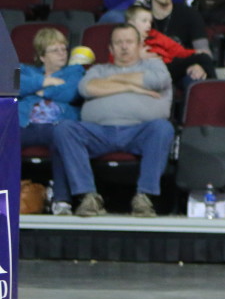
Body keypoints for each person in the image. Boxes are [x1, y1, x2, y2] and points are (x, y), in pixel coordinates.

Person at [51, 24, 175, 218]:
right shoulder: (99, 69)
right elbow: (87, 88)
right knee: (64, 128)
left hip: (140, 131)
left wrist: (114, 80)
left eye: (129, 42)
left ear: (139, 45)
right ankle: (88, 197)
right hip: (99, 132)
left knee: (163, 128)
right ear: (110, 49)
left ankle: (144, 198)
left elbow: (157, 81)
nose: (124, 47)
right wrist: (132, 87)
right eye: (118, 43)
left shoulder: (154, 65)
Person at [18, 28, 84, 157]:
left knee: (64, 140)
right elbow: (11, 85)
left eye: (64, 49)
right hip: (24, 125)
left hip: (56, 126)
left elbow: (70, 93)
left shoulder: (75, 71)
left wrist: (39, 92)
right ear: (42, 56)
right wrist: (44, 81)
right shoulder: (26, 71)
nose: (62, 54)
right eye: (55, 50)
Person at [124, 5, 215, 91]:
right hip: (153, 71)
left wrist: (193, 52)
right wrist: (137, 57)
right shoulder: (124, 41)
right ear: (131, 23)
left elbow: (175, 49)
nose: (148, 25)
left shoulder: (154, 35)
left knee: (203, 57)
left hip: (170, 65)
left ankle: (218, 86)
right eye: (144, 21)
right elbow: (118, 64)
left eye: (150, 22)